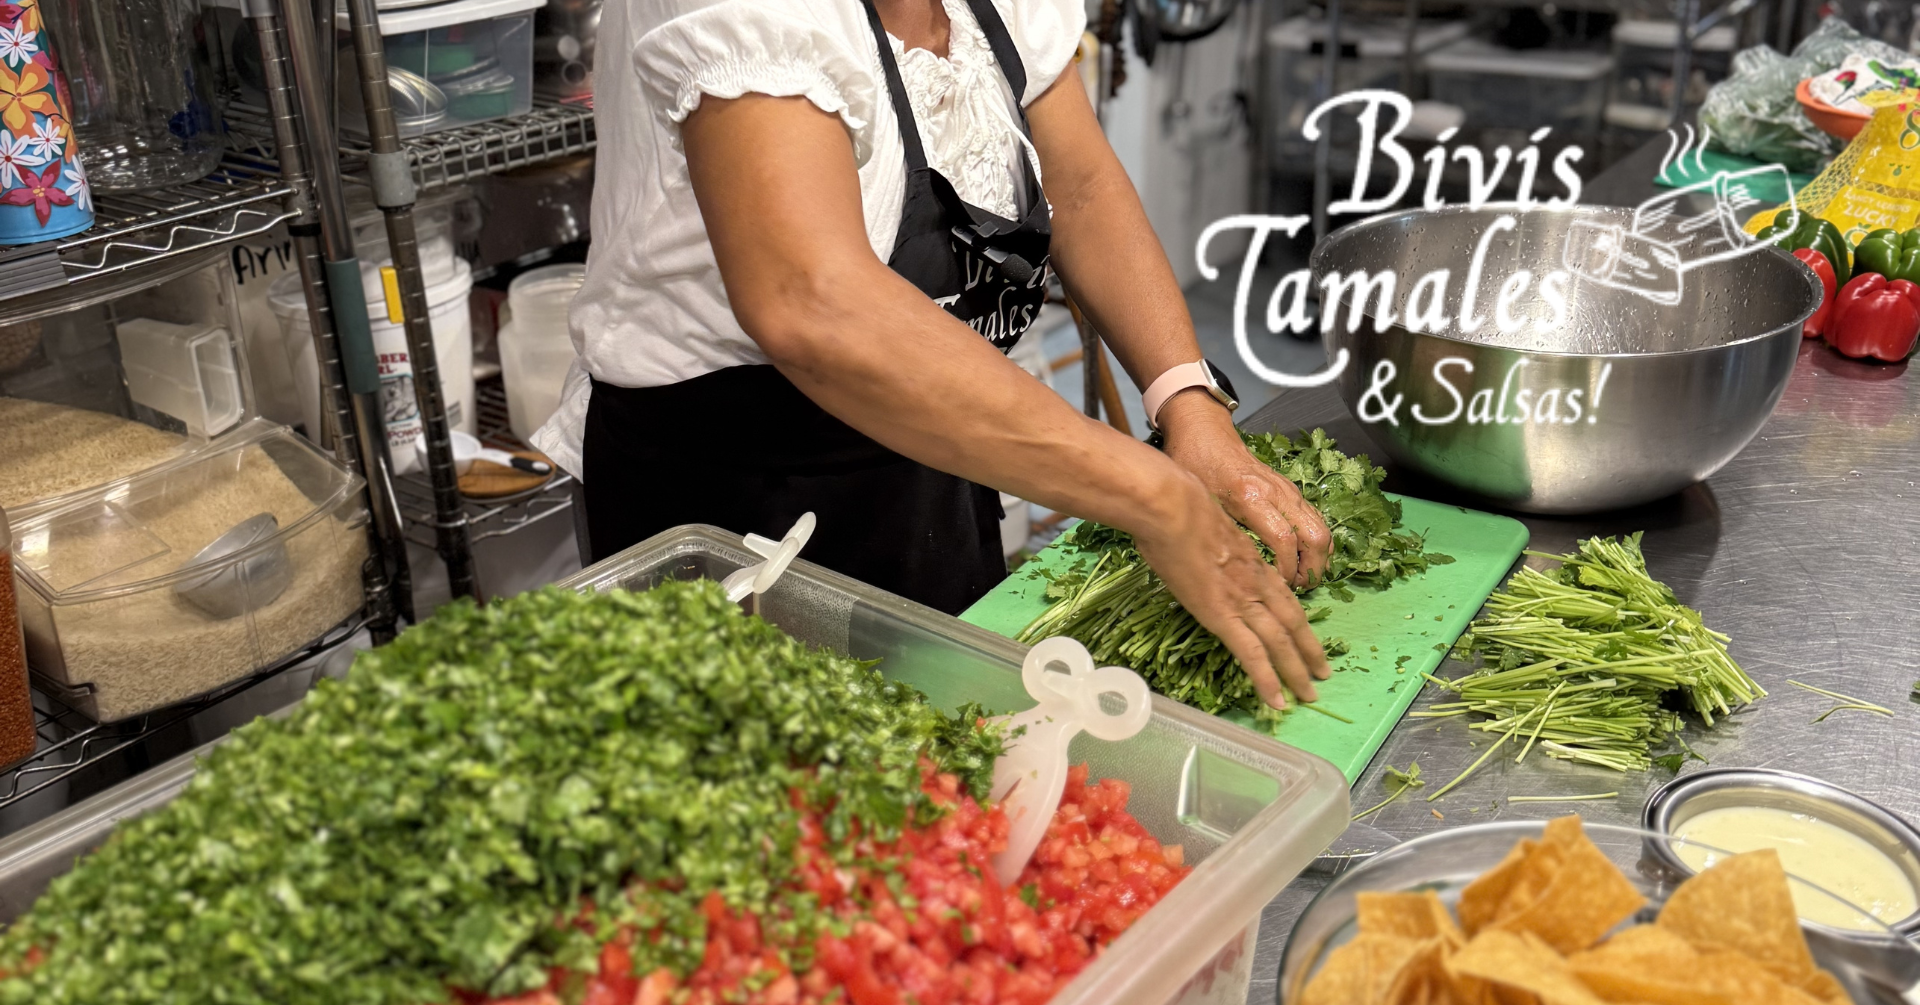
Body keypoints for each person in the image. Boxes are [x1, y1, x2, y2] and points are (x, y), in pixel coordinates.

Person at [534, 0, 1335, 708]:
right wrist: (1152, 494)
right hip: (732, 500)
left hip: (932, 455)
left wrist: (1187, 401)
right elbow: (813, 300)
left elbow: (1080, 185)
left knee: (956, 780)